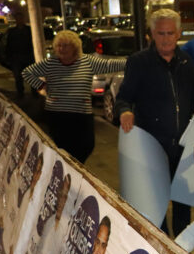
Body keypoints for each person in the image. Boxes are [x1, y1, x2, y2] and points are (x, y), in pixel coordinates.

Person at [115, 9, 194, 236]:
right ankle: (161, 246)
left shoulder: (185, 61)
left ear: (179, 33)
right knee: (155, 202)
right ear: (152, 34)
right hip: (151, 147)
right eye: (160, 33)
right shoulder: (139, 62)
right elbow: (123, 98)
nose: (165, 38)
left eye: (170, 33)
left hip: (182, 147)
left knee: (183, 202)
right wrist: (124, 112)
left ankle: (182, 248)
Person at [22, 30, 126, 163]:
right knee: (63, 148)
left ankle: (76, 167)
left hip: (81, 114)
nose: (61, 49)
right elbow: (27, 72)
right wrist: (42, 86)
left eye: (65, 45)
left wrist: (133, 61)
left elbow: (109, 65)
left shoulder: (87, 62)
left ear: (75, 47)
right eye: (59, 45)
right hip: (58, 115)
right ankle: (68, 172)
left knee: (86, 146)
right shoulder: (50, 63)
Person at [5, 12, 34, 99]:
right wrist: (9, 57)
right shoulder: (12, 32)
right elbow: (9, 45)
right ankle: (20, 93)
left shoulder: (29, 30)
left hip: (28, 56)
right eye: (18, 19)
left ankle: (34, 93)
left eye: (21, 18)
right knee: (18, 77)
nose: (19, 20)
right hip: (17, 57)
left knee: (31, 76)